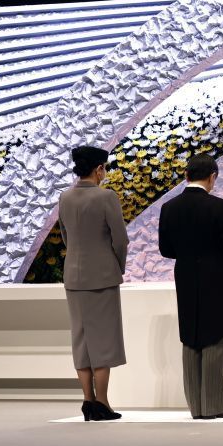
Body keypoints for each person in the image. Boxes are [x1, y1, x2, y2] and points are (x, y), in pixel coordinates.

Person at [158, 153, 223, 420]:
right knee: (215, 334)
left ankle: (195, 407)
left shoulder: (169, 208)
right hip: (214, 277)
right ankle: (214, 406)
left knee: (191, 335)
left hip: (184, 277)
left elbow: (166, 249)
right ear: (212, 177)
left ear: (186, 176)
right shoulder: (220, 207)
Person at [58, 145, 129, 421]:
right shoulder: (106, 197)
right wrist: (116, 266)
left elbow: (66, 236)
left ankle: (87, 401)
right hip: (101, 276)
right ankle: (102, 402)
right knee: (103, 341)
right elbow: (120, 239)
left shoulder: (64, 197)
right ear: (99, 169)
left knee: (81, 340)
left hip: (73, 276)